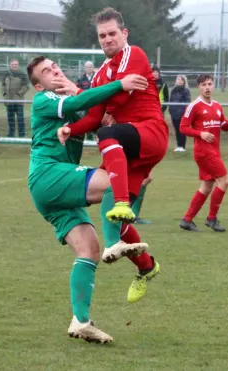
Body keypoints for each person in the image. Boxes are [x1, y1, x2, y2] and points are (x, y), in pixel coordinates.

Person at [27, 55, 149, 343]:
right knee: (111, 183)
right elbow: (77, 104)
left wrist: (105, 118)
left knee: (88, 251)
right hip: (49, 174)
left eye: (55, 65)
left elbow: (92, 116)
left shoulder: (68, 97)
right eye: (46, 71)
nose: (54, 70)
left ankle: (80, 321)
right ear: (37, 85)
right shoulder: (43, 100)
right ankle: (116, 242)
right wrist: (120, 84)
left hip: (52, 190)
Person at [57, 7, 166, 303]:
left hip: (150, 133)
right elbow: (95, 115)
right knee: (115, 219)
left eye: (112, 33)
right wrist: (71, 127)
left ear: (124, 33)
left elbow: (118, 97)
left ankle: (121, 202)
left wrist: (93, 98)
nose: (107, 39)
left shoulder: (135, 55)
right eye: (102, 36)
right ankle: (147, 266)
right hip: (125, 147)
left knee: (107, 136)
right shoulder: (103, 73)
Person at [179, 74, 228, 232]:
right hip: (204, 152)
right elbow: (183, 128)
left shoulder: (217, 106)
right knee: (224, 181)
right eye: (204, 84)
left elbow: (222, 126)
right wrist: (200, 134)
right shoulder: (194, 106)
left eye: (210, 84)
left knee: (206, 186)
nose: (207, 87)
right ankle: (211, 218)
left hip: (214, 150)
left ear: (213, 86)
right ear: (198, 87)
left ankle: (187, 220)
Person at [2, 59, 29, 138]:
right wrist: (4, 93)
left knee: (20, 119)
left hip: (18, 101)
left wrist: (19, 93)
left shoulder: (22, 74)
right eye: (13, 64)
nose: (14, 66)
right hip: (9, 101)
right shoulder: (6, 74)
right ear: (10, 65)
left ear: (18, 65)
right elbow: (3, 85)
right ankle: (11, 135)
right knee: (10, 119)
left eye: (16, 64)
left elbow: (26, 86)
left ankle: (22, 135)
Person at [168, 74, 191, 152]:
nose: (179, 81)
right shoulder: (173, 90)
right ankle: (178, 145)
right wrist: (170, 110)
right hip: (174, 113)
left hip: (181, 113)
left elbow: (187, 102)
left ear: (184, 81)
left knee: (182, 130)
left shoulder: (186, 90)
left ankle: (182, 146)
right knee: (177, 130)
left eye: (181, 79)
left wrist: (182, 111)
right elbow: (171, 101)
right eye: (178, 79)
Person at [75, 61, 96, 142]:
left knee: (93, 120)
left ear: (92, 68)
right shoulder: (81, 79)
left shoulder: (97, 77)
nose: (89, 68)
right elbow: (76, 90)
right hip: (84, 104)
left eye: (90, 67)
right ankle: (83, 138)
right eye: (87, 67)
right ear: (85, 68)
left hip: (95, 103)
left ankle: (92, 139)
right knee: (84, 120)